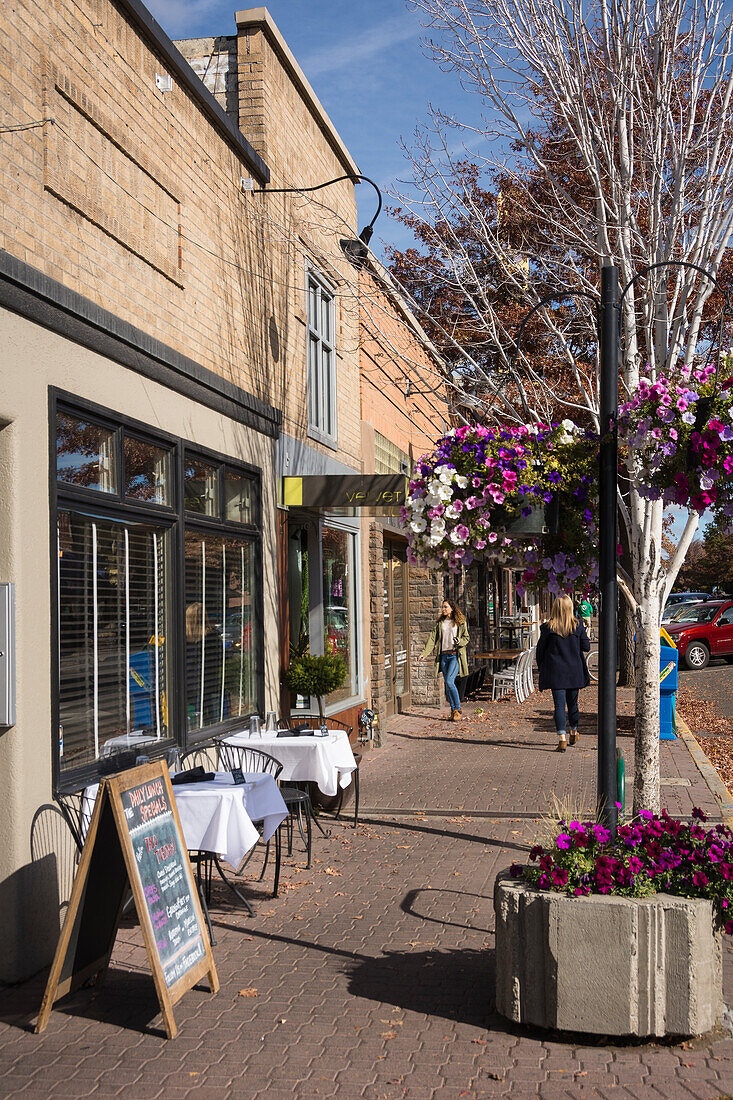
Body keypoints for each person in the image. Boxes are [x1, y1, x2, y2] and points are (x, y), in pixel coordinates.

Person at [536, 594, 590, 752]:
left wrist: (542, 668)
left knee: (559, 705)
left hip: (556, 672)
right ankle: (573, 730)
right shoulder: (577, 626)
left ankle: (562, 739)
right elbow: (586, 647)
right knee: (573, 703)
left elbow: (540, 651)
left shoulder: (548, 627)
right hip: (574, 671)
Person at [418, 598, 470, 721]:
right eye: (443, 607)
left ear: (452, 608)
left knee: (449, 682)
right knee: (447, 685)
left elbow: (466, 638)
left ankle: (458, 709)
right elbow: (432, 639)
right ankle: (453, 711)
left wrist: (459, 641)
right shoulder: (440, 623)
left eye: (445, 607)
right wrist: (424, 654)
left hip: (454, 655)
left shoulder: (460, 622)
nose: (443, 609)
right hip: (444, 656)